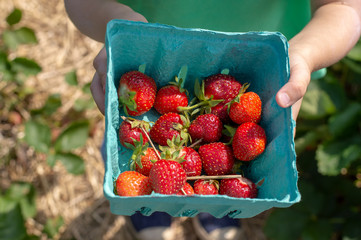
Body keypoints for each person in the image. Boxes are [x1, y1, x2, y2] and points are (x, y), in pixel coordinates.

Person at [64, 1, 361, 239]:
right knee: (138, 160)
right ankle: (150, 207)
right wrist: (122, 24)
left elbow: (346, 8)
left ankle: (211, 205)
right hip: (149, 93)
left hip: (255, 75)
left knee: (211, 184)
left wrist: (303, 54)